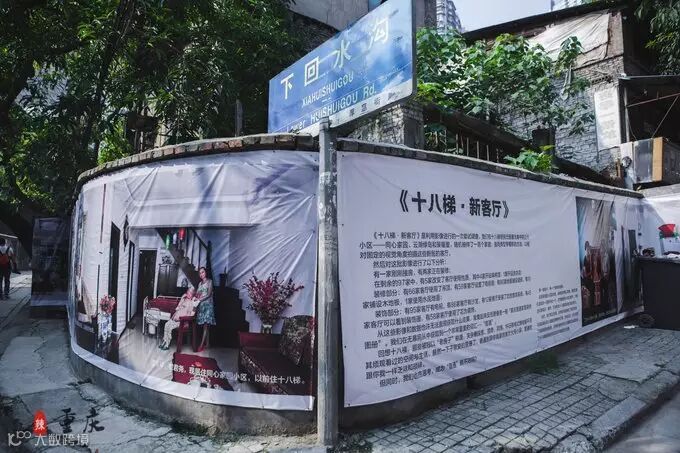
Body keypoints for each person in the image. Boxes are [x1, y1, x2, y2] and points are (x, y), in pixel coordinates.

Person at [195, 267, 215, 352]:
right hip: (201, 306)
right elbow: (197, 294)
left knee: (206, 325)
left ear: (205, 272)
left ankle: (201, 345)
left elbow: (209, 294)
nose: (201, 274)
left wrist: (199, 299)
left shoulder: (210, 281)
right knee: (205, 325)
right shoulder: (199, 284)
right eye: (200, 273)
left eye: (202, 272)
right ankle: (208, 344)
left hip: (208, 306)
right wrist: (196, 297)